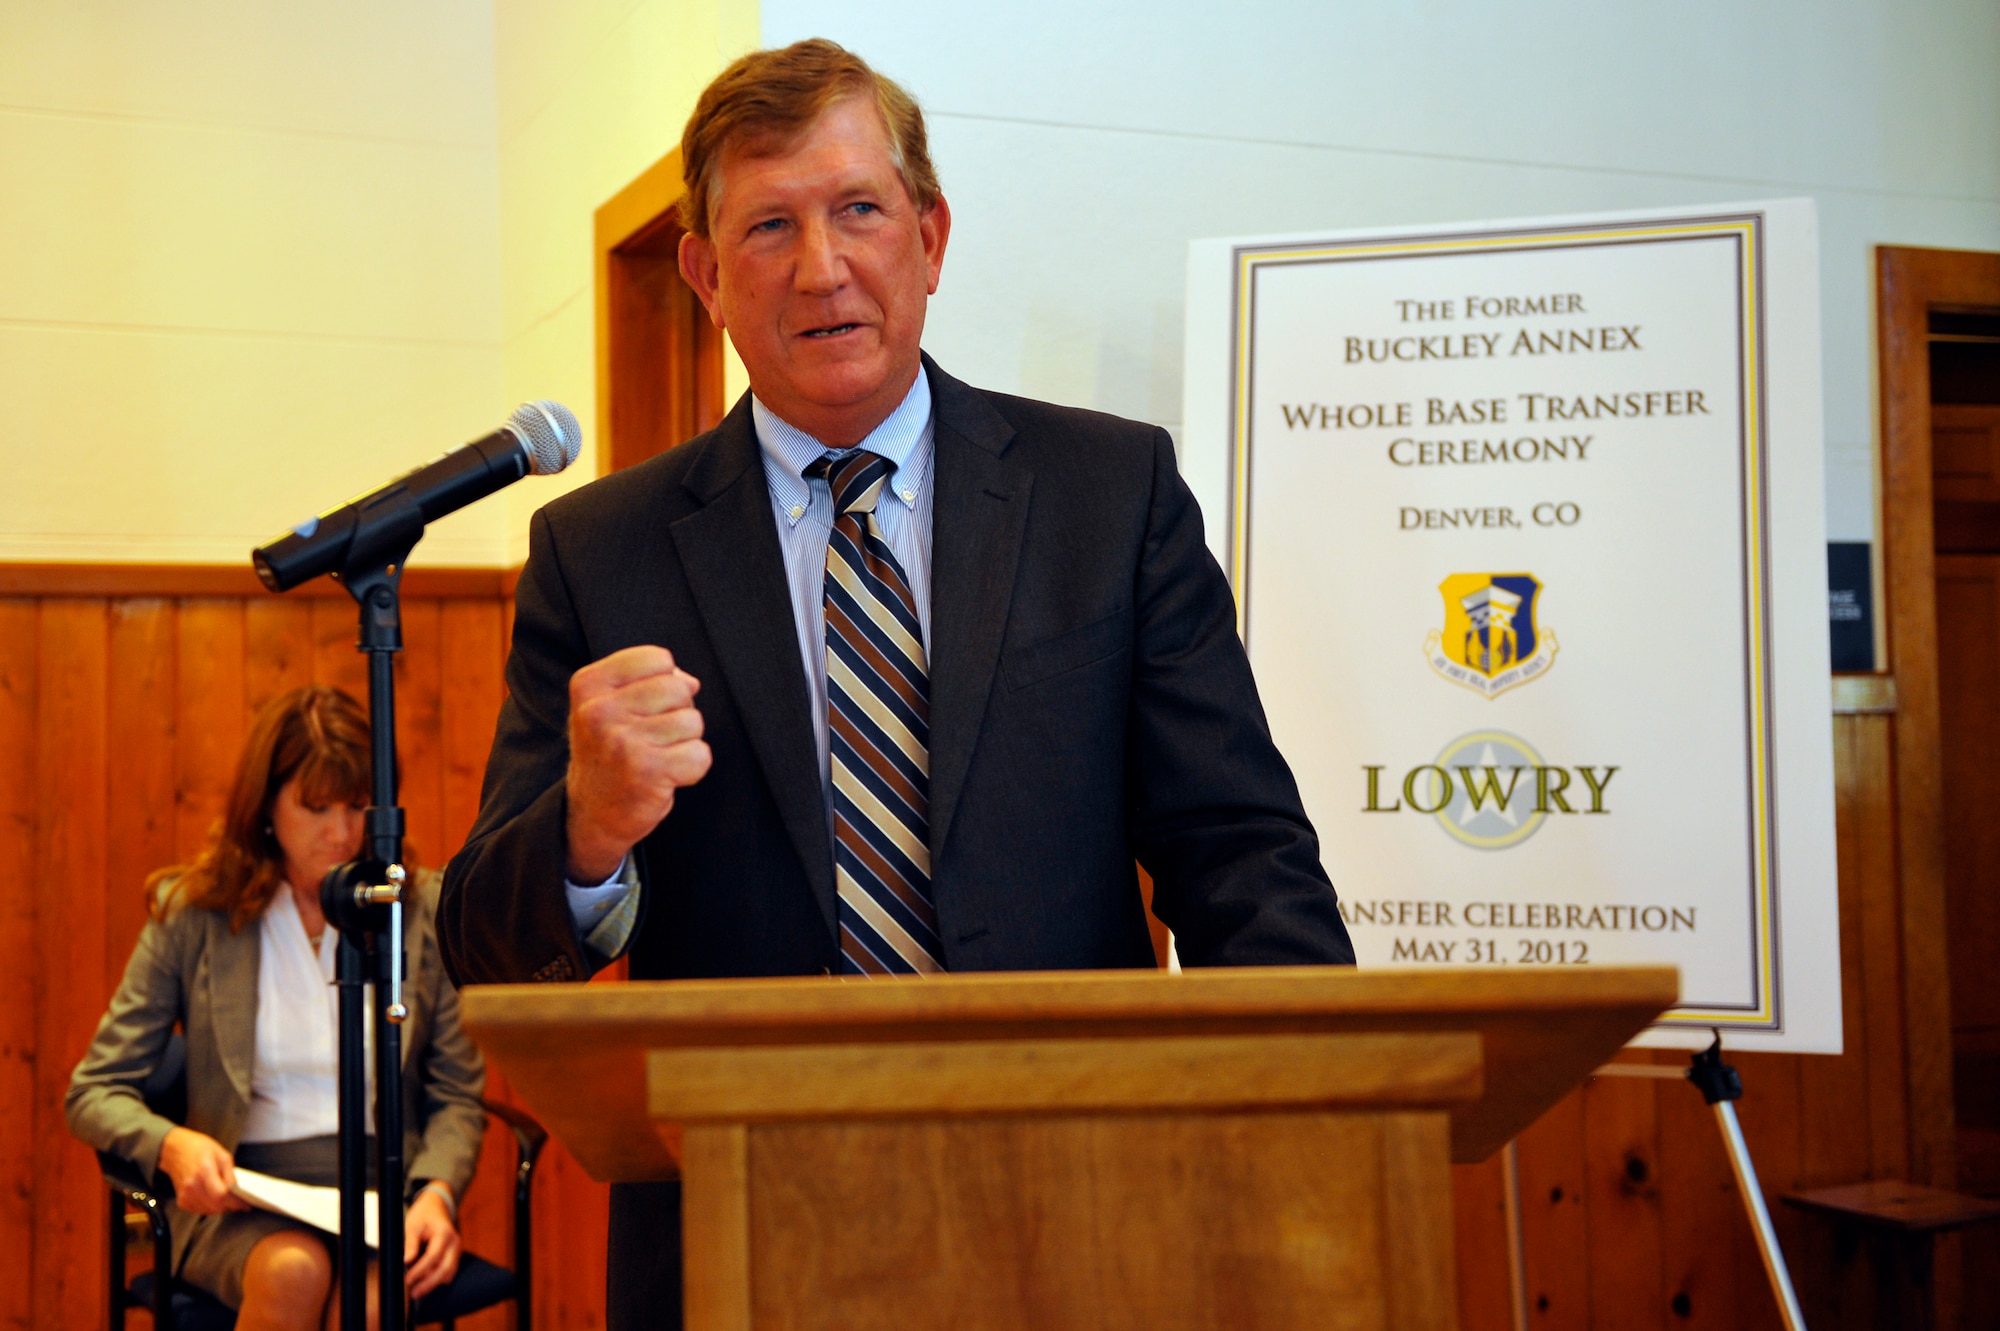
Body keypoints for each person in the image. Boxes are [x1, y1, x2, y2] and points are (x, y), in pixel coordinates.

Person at [437, 37, 1354, 1327]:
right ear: (702, 273)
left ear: (928, 234)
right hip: (741, 1231)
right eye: (767, 226)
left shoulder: (1108, 493)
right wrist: (584, 832)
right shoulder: (600, 551)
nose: (821, 268)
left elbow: (1240, 852)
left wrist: (1314, 1126)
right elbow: (485, 945)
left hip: (1085, 1203)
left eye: (857, 209)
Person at [68, 686, 484, 1330]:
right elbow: (94, 1090)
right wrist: (172, 1145)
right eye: (316, 808)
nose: (342, 832)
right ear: (265, 806)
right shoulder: (196, 913)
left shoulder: (420, 909)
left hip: (382, 1192)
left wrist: (437, 1193)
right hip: (242, 1195)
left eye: (357, 806)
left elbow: (455, 1091)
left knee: (373, 1304)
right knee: (295, 1270)